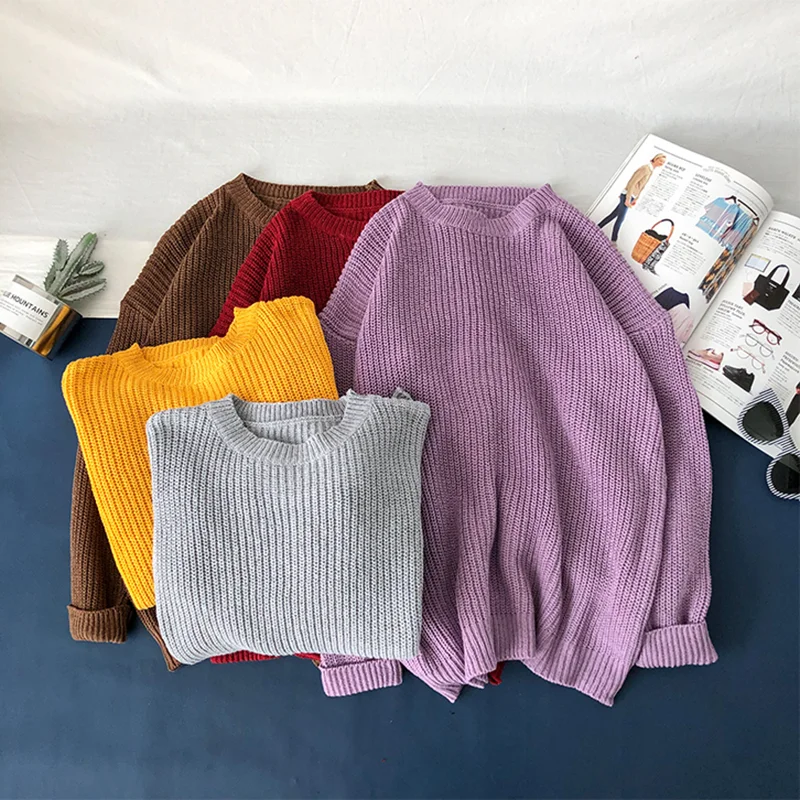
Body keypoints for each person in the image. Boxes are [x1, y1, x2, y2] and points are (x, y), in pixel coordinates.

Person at [598, 153, 667, 244]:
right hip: (627, 195)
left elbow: (641, 186)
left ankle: (596, 228)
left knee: (613, 215)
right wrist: (628, 198)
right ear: (655, 159)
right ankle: (613, 241)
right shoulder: (645, 168)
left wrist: (636, 198)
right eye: (660, 161)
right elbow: (632, 183)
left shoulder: (651, 170)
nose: (661, 163)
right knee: (620, 219)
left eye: (663, 162)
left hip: (631, 196)